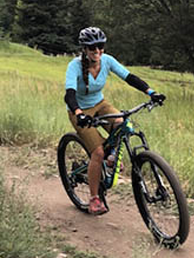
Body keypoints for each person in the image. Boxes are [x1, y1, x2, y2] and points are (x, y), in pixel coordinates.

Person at [64, 26, 166, 215]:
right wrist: (78, 113)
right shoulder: (74, 66)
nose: (97, 51)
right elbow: (69, 94)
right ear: (84, 49)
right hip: (79, 110)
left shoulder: (107, 61)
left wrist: (151, 92)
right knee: (98, 152)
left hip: (100, 104)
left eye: (100, 46)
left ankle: (111, 159)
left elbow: (129, 77)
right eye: (92, 48)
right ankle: (94, 198)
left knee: (123, 125)